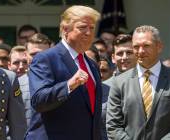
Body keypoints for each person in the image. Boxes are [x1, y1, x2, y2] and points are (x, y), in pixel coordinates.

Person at [25, 5, 103, 140]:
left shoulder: (92, 65)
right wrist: (69, 85)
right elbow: (38, 100)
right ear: (66, 29)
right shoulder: (46, 58)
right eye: (83, 27)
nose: (89, 33)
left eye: (92, 28)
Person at [106, 25, 170, 140]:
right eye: (136, 47)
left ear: (159, 47)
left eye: (146, 45)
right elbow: (113, 126)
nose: (141, 51)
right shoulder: (119, 82)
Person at [101, 34, 136, 140]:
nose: (124, 57)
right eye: (120, 53)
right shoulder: (103, 87)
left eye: (129, 52)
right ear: (113, 58)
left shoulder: (148, 83)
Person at [18, 33, 51, 128]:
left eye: (43, 54)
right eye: (33, 54)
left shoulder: (62, 83)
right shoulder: (15, 84)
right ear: (25, 55)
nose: (38, 58)